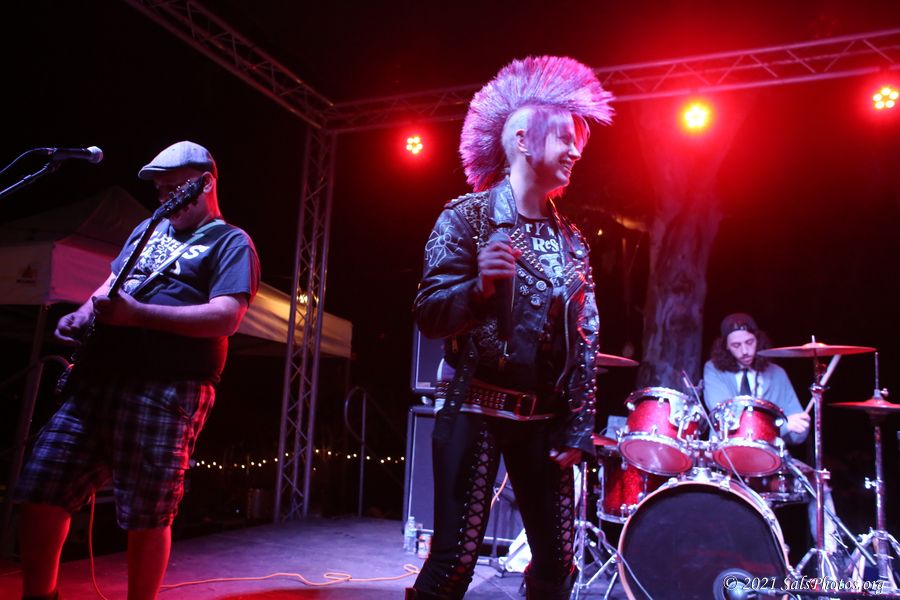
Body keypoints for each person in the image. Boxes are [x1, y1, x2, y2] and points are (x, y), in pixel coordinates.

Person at [13, 141, 260, 600]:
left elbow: (227, 317)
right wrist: (82, 314)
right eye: (160, 190)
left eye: (174, 189)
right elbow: (113, 282)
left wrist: (138, 316)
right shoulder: (148, 228)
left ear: (205, 183)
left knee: (147, 514)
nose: (165, 198)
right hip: (98, 380)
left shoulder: (230, 242)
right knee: (40, 490)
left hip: (168, 387)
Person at [408, 56, 613, 600]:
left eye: (578, 143)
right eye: (565, 137)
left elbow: (587, 339)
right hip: (474, 406)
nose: (575, 152)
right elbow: (429, 314)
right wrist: (478, 290)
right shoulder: (466, 218)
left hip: (543, 420)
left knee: (557, 567)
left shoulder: (573, 241)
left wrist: (578, 426)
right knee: (454, 562)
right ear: (523, 139)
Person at [703, 312, 840, 551]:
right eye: (736, 346)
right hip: (727, 458)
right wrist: (782, 426)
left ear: (759, 340)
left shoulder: (777, 374)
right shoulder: (714, 370)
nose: (745, 351)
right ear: (725, 347)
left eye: (749, 342)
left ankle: (831, 557)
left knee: (819, 485)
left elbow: (797, 435)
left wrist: (799, 425)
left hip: (770, 460)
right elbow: (727, 419)